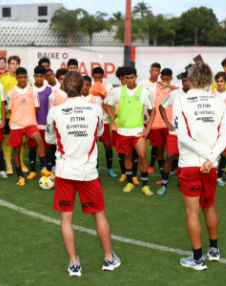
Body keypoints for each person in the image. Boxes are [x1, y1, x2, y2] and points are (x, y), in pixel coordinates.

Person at [46, 71, 120, 277]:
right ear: (82, 87)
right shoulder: (96, 109)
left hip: (64, 172)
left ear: (63, 88)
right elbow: (99, 133)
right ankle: (109, 259)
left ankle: (74, 263)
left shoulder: (55, 111)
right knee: (99, 215)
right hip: (88, 172)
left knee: (66, 219)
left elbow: (50, 139)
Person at [174, 62, 226, 270]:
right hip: (210, 165)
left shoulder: (181, 101)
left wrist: (207, 155)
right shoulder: (218, 102)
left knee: (192, 213)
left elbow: (182, 136)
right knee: (209, 207)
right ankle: (213, 250)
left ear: (190, 78)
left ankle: (198, 259)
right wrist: (212, 157)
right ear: (208, 80)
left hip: (190, 164)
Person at [105, 67, 155, 196]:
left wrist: (148, 128)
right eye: (127, 78)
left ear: (136, 77)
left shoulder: (143, 91)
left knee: (142, 156)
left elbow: (152, 109)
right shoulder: (118, 91)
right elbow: (106, 103)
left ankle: (145, 185)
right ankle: (129, 183)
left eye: (132, 77)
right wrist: (111, 117)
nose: (129, 80)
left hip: (138, 131)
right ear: (124, 79)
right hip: (123, 131)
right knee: (127, 156)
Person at [7, 67, 53, 185]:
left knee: (39, 140)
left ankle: (43, 168)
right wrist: (19, 118)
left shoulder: (33, 90)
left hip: (30, 123)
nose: (22, 79)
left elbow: (36, 107)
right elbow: (10, 109)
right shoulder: (11, 92)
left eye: (24, 77)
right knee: (16, 150)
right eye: (20, 77)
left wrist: (29, 117)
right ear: (16, 77)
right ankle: (20, 177)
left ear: (27, 77)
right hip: (16, 124)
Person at [157, 71, 190, 194]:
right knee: (170, 156)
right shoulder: (175, 93)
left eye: (187, 80)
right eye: (183, 80)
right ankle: (164, 185)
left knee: (184, 158)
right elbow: (161, 106)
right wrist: (167, 123)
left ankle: (182, 181)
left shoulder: (196, 95)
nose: (185, 83)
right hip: (174, 133)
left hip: (189, 134)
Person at [0, 55, 28, 175]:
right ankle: (9, 164)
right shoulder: (1, 79)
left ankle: (21, 162)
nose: (15, 66)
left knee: (23, 141)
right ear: (8, 65)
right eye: (13, 63)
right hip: (8, 117)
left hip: (22, 117)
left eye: (17, 64)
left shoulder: (24, 79)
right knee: (7, 141)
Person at [26, 66, 54, 179]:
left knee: (48, 148)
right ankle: (33, 171)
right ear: (34, 76)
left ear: (45, 77)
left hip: (45, 124)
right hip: (32, 124)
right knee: (32, 147)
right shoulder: (29, 89)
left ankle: (47, 170)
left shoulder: (49, 90)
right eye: (37, 76)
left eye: (41, 76)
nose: (39, 78)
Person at [147, 68, 175, 181]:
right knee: (159, 150)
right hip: (156, 125)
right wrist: (150, 121)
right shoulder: (154, 90)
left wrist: (169, 86)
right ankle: (163, 173)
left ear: (171, 79)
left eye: (167, 80)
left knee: (172, 151)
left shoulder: (174, 90)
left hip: (171, 126)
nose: (164, 82)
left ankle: (172, 169)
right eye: (162, 79)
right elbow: (150, 106)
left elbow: (182, 91)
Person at [89, 67, 117, 178]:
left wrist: (102, 93)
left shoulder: (108, 86)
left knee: (107, 145)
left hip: (104, 120)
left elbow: (109, 104)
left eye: (99, 78)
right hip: (91, 121)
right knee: (92, 145)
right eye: (95, 78)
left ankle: (109, 168)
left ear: (103, 76)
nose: (97, 80)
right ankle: (96, 167)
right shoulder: (88, 85)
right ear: (92, 76)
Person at [138, 63, 161, 174]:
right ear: (149, 71)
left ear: (159, 72)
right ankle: (139, 162)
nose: (154, 72)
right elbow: (138, 99)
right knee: (139, 141)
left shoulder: (161, 85)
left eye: (157, 70)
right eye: (153, 70)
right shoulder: (143, 83)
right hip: (142, 119)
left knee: (155, 144)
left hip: (155, 119)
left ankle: (151, 165)